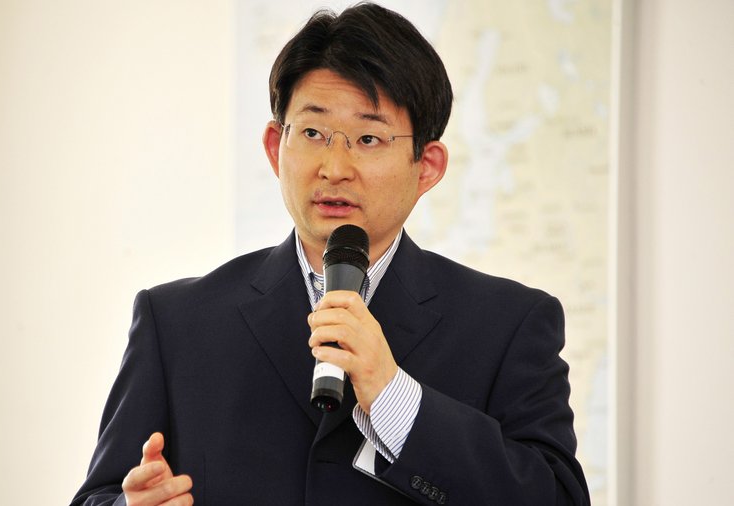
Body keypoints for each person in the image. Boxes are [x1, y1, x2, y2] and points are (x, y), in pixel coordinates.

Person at [71, 3, 590, 505]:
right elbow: (100, 496)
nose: (335, 167)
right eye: (313, 132)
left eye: (369, 138)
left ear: (427, 166)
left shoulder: (510, 324)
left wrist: (393, 395)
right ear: (275, 147)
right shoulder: (176, 322)